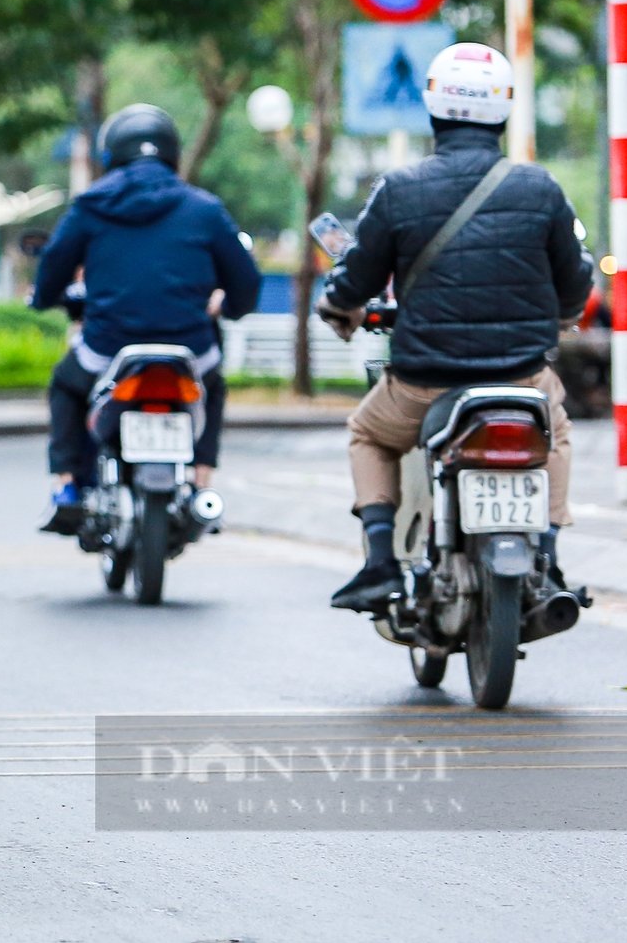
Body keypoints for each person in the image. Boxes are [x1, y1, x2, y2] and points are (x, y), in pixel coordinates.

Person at [316, 43, 593, 613]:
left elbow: (357, 278)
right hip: (520, 380)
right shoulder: (539, 188)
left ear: (433, 109)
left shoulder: (399, 190)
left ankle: (378, 561)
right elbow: (576, 280)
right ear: (505, 110)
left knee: (367, 434)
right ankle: (550, 552)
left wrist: (341, 309)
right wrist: (564, 314)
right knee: (556, 430)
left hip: (424, 385)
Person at [29, 104, 262, 534]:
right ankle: (201, 482)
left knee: (66, 385)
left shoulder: (90, 206)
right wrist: (229, 307)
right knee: (213, 384)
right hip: (189, 349)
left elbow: (53, 267)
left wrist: (44, 298)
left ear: (111, 154)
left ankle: (67, 489)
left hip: (107, 348)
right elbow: (246, 281)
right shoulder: (205, 209)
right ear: (172, 152)